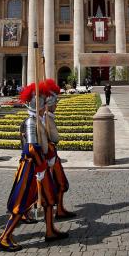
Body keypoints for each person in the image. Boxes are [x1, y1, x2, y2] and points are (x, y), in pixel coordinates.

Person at [0, 81, 67, 252]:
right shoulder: (30, 122)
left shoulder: (39, 120)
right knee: (22, 202)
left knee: (49, 199)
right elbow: (31, 148)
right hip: (31, 167)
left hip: (40, 165)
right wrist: (42, 166)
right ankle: (5, 237)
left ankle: (50, 230)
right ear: (41, 106)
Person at [42, 79, 76, 220]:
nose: (56, 105)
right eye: (55, 103)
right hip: (50, 155)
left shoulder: (44, 117)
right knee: (60, 182)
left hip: (48, 155)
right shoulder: (47, 119)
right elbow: (55, 137)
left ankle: (58, 209)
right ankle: (58, 210)